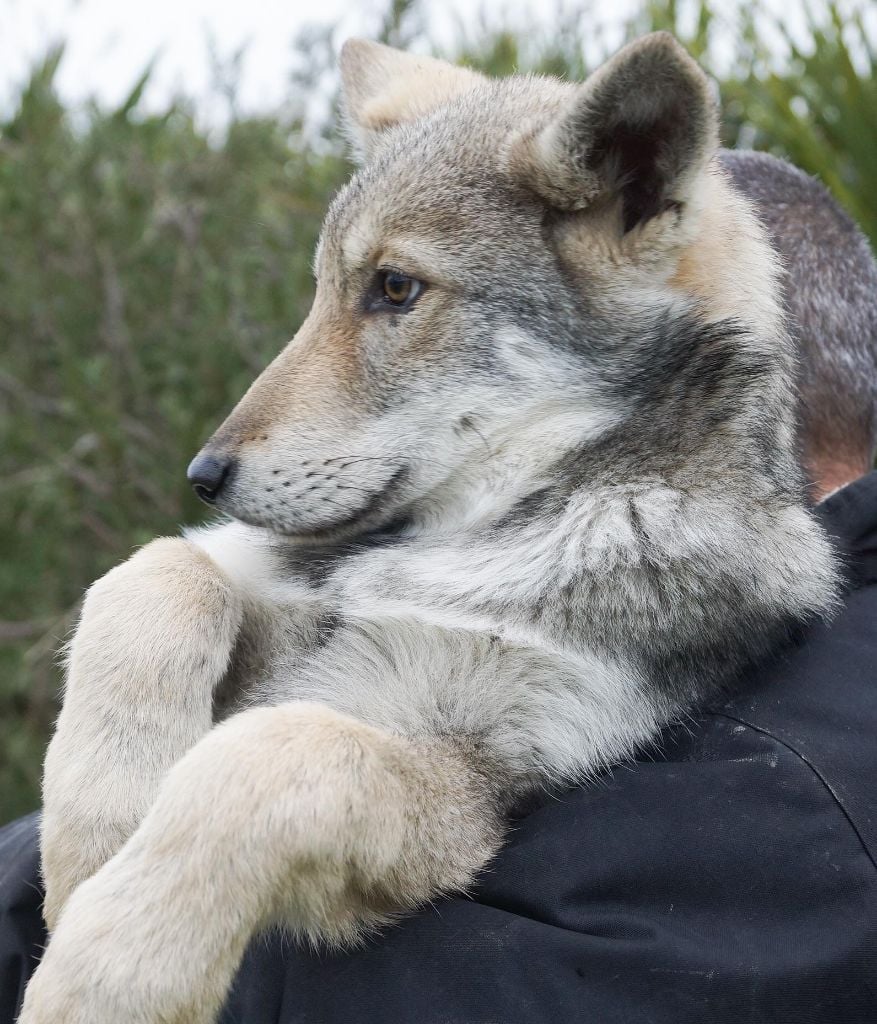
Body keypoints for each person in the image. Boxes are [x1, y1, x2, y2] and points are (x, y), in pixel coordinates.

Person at [1, 151, 875, 1024]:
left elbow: (449, 862)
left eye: (395, 291)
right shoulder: (455, 495)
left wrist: (231, 826)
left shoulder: (798, 769)